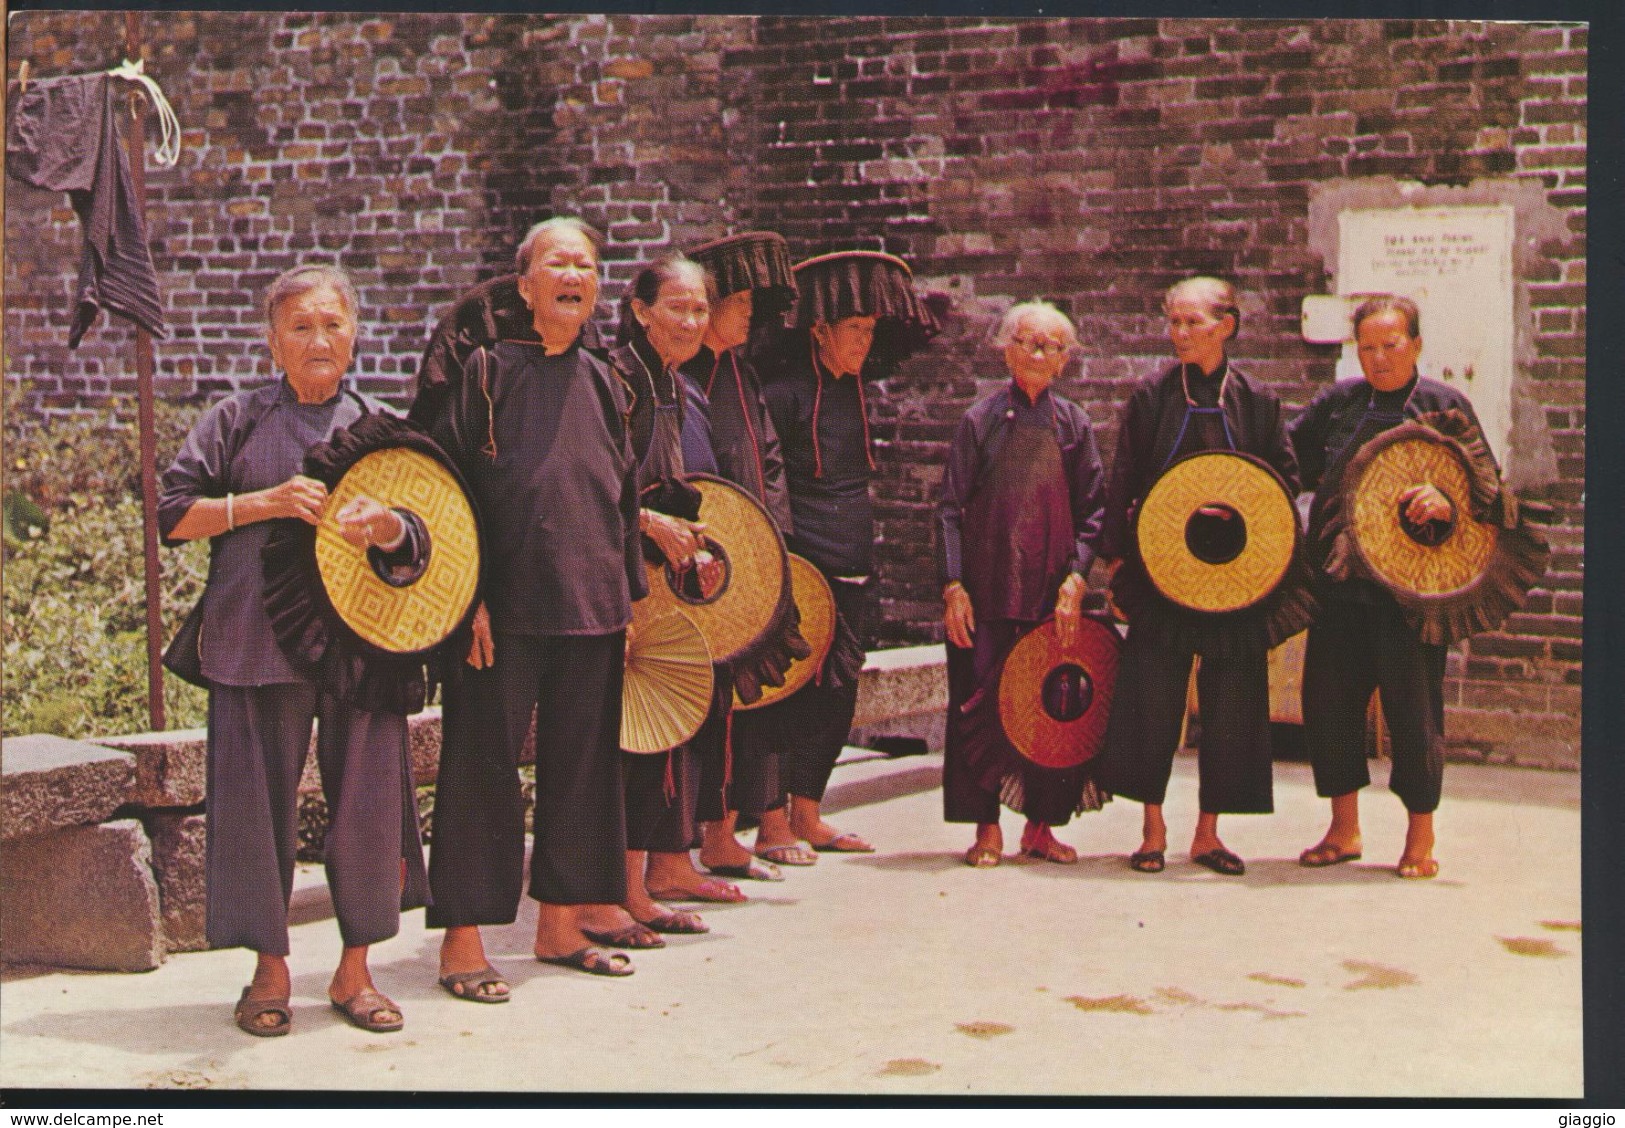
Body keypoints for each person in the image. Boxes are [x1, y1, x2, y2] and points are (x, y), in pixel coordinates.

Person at [158, 264, 428, 1036]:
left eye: (332, 325)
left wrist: (388, 529)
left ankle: (354, 972)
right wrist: (261, 504)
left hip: (363, 647)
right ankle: (268, 972)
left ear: (354, 336)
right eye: (301, 326)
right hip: (253, 642)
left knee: (371, 808)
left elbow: (426, 535)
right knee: (253, 809)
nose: (318, 339)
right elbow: (171, 514)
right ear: (273, 340)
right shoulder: (236, 420)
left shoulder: (382, 424)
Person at [410, 217, 646, 989]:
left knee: (582, 770)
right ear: (525, 285)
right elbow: (444, 490)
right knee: (481, 771)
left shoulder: (610, 380)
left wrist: (629, 597)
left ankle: (558, 925)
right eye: (556, 262)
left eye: (585, 263)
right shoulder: (485, 372)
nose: (572, 274)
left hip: (593, 602)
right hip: (499, 611)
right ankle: (463, 943)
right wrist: (464, 597)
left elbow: (623, 493)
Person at [1094, 276, 1302, 877]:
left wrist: (1239, 505)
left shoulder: (1259, 402)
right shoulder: (1150, 397)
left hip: (1236, 575)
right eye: (1173, 322)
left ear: (1226, 326)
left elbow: (1285, 483)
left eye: (1192, 322)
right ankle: (1151, 828)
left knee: (1233, 698)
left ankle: (1209, 834)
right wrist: (1118, 564)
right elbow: (1125, 478)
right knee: (1151, 695)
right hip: (1162, 569)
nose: (1179, 334)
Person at [1289, 295, 1488, 879]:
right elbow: (1287, 460)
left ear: (1417, 345)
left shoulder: (1445, 407)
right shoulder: (1339, 404)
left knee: (1414, 711)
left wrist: (1447, 499)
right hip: (1340, 581)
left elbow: (1487, 487)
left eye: (1391, 345)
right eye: (1367, 347)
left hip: (1411, 591)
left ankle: (1419, 838)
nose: (1378, 358)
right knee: (1330, 704)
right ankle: (1343, 829)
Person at [581, 254, 738, 952]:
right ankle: (610, 893)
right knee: (617, 745)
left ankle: (636, 886)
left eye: (701, 308)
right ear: (640, 311)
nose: (691, 320)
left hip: (655, 578)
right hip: (610, 577)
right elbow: (591, 483)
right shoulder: (614, 380)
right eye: (677, 306)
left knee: (652, 740)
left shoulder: (673, 384)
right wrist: (648, 525)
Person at [761, 250, 937, 854]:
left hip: (857, 559)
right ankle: (773, 822)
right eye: (853, 329)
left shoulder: (856, 389)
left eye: (869, 330)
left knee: (838, 695)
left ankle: (810, 810)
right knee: (787, 695)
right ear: (820, 328)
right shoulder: (783, 393)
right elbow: (770, 481)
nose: (865, 341)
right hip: (805, 565)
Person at [937, 302, 1108, 867]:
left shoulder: (1073, 425)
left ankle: (1041, 826)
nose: (1038, 354)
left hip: (1048, 591)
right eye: (1028, 342)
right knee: (979, 704)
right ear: (1007, 349)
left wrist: (1076, 579)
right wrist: (954, 586)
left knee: (1052, 704)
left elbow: (1093, 512)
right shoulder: (979, 421)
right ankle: (985, 827)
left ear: (1064, 362)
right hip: (986, 588)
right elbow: (949, 509)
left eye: (1051, 347)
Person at [681, 231, 815, 878]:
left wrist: (779, 543)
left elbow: (769, 461)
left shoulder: (743, 373)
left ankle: (744, 823)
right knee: (709, 709)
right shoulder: (687, 376)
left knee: (757, 698)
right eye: (738, 305)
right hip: (708, 565)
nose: (748, 317)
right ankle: (709, 833)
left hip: (758, 560)